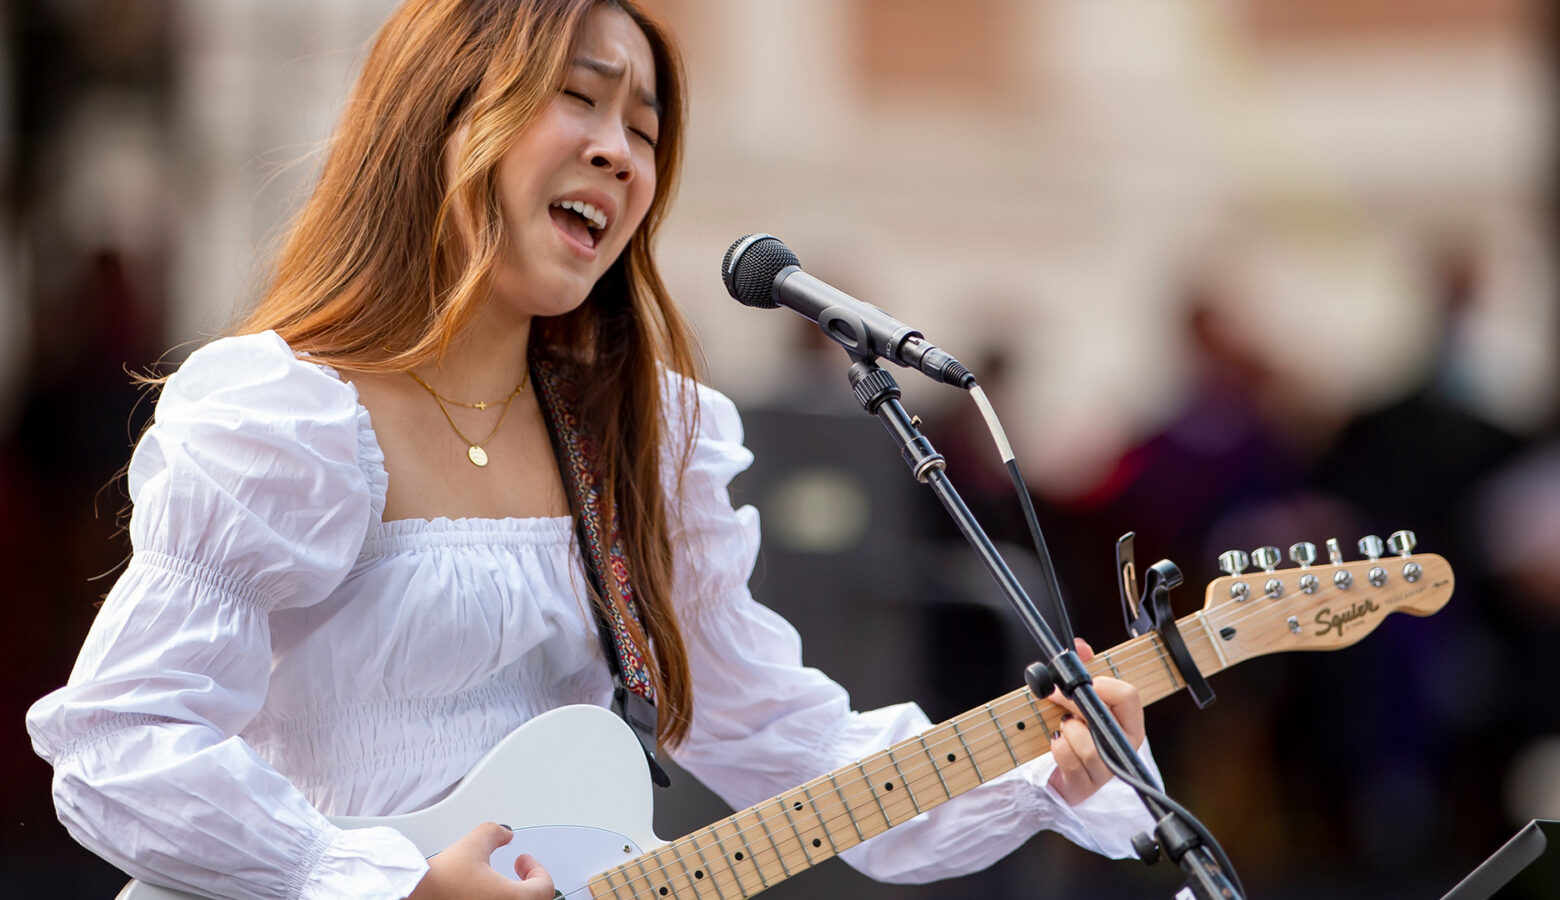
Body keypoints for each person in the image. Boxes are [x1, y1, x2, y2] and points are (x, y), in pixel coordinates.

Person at [25, 2, 1159, 898]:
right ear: (445, 116)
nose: (620, 153)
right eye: (581, 101)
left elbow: (791, 746)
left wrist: (1042, 767)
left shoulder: (643, 439)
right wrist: (387, 882)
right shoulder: (288, 417)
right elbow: (122, 744)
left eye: (647, 130)